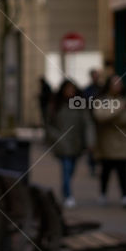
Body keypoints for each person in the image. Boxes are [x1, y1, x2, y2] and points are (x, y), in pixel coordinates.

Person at [45, 80, 93, 208]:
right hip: (63, 143)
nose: (70, 92)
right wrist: (56, 137)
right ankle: (68, 195)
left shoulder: (79, 105)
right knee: (66, 167)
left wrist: (89, 141)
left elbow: (87, 123)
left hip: (76, 143)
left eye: (72, 89)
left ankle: (66, 190)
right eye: (67, 89)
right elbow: (49, 125)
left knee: (71, 169)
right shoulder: (56, 105)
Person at [93, 74, 126, 208]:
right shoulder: (102, 100)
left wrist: (112, 117)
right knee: (106, 170)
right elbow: (101, 116)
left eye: (119, 83)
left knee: (122, 170)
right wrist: (120, 110)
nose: (117, 86)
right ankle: (103, 193)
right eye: (114, 83)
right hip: (106, 143)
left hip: (123, 143)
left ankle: (125, 195)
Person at [83, 69, 104, 176]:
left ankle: (99, 164)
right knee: (91, 144)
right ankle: (92, 165)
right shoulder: (87, 90)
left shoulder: (102, 89)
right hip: (91, 119)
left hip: (101, 121)